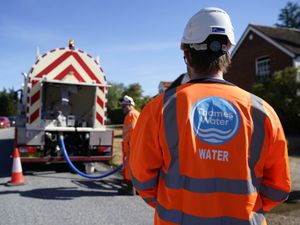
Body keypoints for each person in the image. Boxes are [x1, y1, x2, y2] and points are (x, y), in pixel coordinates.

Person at [130, 7, 291, 225]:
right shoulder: (262, 111)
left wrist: (174, 205)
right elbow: (278, 189)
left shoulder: (160, 108)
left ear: (186, 54)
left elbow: (141, 179)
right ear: (228, 51)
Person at [119, 95, 140, 195]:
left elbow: (133, 132)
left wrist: (132, 146)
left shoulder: (132, 115)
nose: (122, 109)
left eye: (123, 106)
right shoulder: (133, 115)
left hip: (132, 147)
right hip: (132, 146)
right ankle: (136, 188)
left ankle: (131, 188)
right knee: (133, 167)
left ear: (129, 105)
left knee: (131, 168)